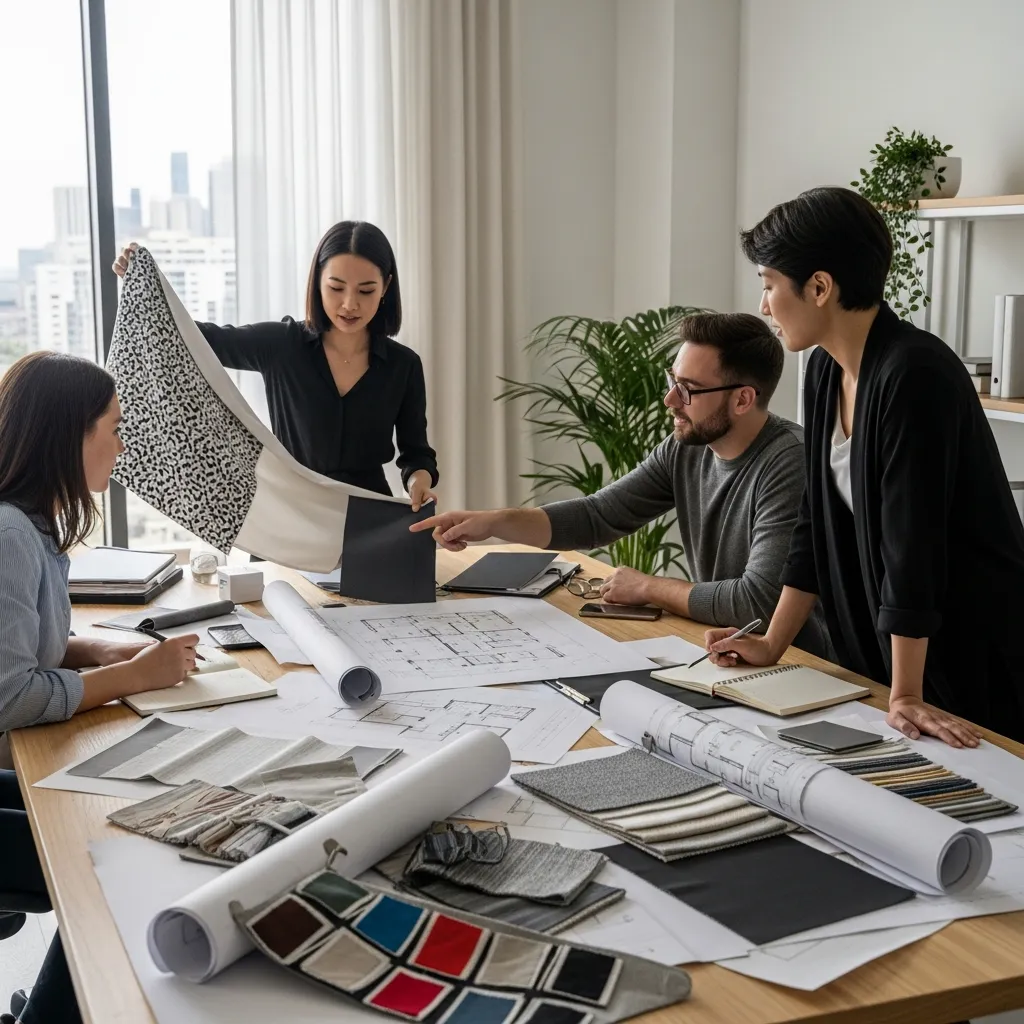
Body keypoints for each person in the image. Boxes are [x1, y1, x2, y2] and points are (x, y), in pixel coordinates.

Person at [705, 185, 1024, 748]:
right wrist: (773, 642)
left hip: (972, 656)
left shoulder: (914, 374)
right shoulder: (827, 372)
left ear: (820, 287)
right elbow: (814, 523)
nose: (763, 306)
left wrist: (905, 694)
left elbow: (913, 544)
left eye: (769, 284)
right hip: (901, 662)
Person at [413, 312, 832, 658]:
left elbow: (757, 602)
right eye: (674, 381)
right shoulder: (685, 448)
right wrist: (495, 522)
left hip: (802, 667)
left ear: (742, 399)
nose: (670, 400)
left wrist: (649, 587)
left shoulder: (789, 461)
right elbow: (599, 516)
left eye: (688, 390)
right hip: (727, 651)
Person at [0, 351, 199, 1024]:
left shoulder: (29, 525)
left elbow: (31, 647)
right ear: (69, 435)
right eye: (112, 428)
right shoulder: (7, 535)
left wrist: (104, 648)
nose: (121, 444)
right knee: (102, 854)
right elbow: (13, 698)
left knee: (110, 824)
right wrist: (132, 678)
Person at [112, 220, 438, 509]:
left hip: (367, 519)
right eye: (336, 288)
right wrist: (144, 283)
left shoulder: (404, 365)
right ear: (317, 282)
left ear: (386, 288)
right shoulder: (282, 345)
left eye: (366, 291)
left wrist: (418, 484)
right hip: (289, 516)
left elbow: (416, 454)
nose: (350, 304)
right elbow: (197, 339)